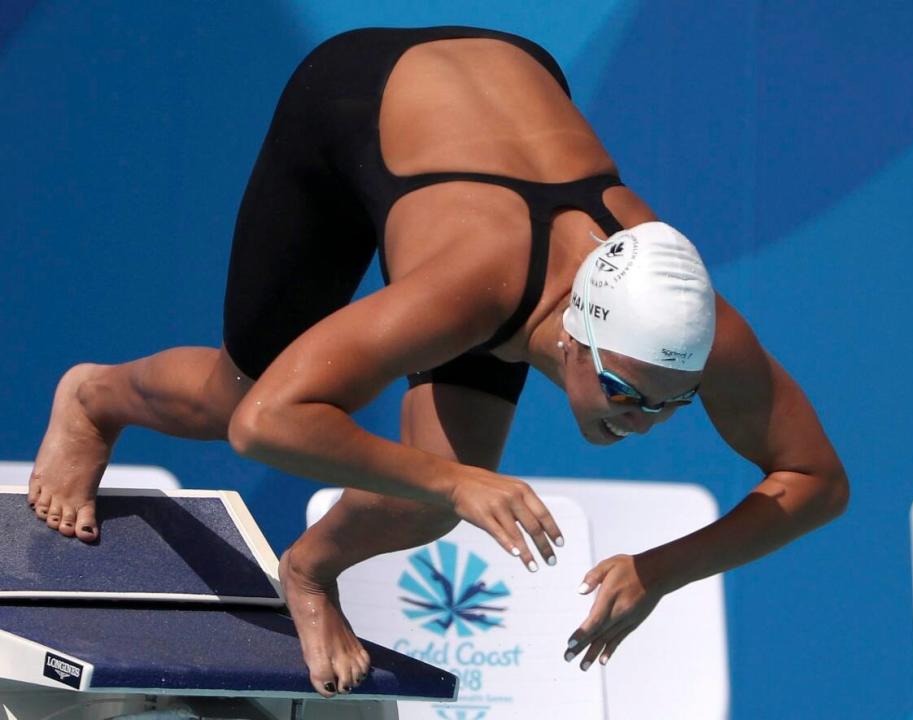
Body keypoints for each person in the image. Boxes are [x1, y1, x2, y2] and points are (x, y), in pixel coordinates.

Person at [27, 27, 848, 697]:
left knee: (422, 502)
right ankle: (95, 399)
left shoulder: (695, 327)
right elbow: (263, 424)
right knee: (230, 395)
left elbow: (817, 479)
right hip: (356, 103)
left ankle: (307, 571)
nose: (644, 421)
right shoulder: (469, 289)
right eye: (628, 393)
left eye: (676, 402)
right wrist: (457, 481)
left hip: (510, 99)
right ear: (576, 339)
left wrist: (662, 570)